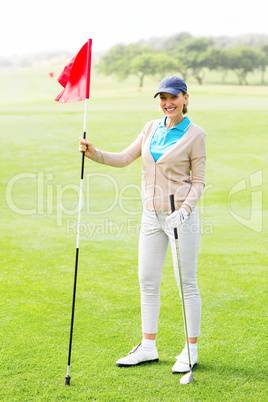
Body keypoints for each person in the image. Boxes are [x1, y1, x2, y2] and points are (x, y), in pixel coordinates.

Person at [79, 76, 206, 374]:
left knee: (186, 283)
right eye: (162, 97)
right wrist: (94, 153)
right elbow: (125, 158)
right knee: (147, 280)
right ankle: (148, 347)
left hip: (180, 218)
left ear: (185, 98)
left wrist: (185, 211)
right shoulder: (151, 128)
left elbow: (198, 181)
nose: (167, 103)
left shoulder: (195, 134)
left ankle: (191, 350)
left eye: (173, 97)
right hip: (151, 216)